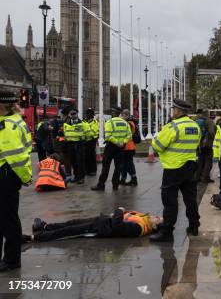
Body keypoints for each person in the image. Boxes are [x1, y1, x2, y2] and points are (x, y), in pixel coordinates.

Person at [149, 99, 201, 242]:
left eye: (173, 109)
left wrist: (155, 137)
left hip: (173, 168)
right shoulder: (195, 126)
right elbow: (197, 143)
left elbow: (158, 146)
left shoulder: (173, 126)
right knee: (190, 199)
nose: (172, 112)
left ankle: (167, 232)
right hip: (190, 167)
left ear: (177, 111)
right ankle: (194, 226)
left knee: (170, 201)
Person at [0, 90, 32, 272]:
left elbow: (16, 156)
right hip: (7, 174)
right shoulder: (15, 121)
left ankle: (12, 260)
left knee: (8, 219)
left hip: (6, 175)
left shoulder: (7, 125)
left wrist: (25, 176)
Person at [28, 208, 161, 242]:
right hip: (101, 221)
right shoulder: (143, 218)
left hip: (99, 229)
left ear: (154, 227)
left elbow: (118, 226)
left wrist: (119, 211)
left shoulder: (140, 228)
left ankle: (35, 238)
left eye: (158, 219)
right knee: (72, 222)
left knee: (68, 232)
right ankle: (45, 226)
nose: (156, 216)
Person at [91, 106, 131, 191]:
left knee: (106, 167)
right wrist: (122, 142)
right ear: (120, 113)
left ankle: (101, 185)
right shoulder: (125, 123)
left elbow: (108, 136)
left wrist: (116, 142)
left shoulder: (109, 122)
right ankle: (115, 185)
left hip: (110, 147)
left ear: (113, 113)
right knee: (118, 167)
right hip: (120, 148)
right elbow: (129, 136)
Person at [62, 109, 86, 184]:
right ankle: (76, 176)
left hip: (79, 144)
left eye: (74, 114)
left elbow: (87, 133)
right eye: (71, 114)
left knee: (80, 161)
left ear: (77, 114)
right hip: (70, 144)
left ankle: (81, 177)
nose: (73, 115)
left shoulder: (82, 123)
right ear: (69, 115)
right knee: (73, 161)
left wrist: (84, 140)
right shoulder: (66, 123)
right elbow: (65, 133)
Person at [195, 108, 216, 183]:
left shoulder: (196, 121)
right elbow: (211, 132)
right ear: (207, 114)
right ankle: (205, 178)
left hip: (198, 144)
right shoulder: (209, 121)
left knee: (200, 161)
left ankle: (197, 177)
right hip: (207, 144)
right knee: (208, 161)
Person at [119, 110, 138, 186]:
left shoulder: (128, 123)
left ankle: (133, 180)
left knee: (128, 164)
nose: (121, 116)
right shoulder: (131, 123)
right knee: (126, 164)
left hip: (127, 147)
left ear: (126, 115)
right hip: (129, 147)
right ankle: (124, 179)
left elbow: (126, 134)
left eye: (122, 115)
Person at [83, 108, 99, 176]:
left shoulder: (94, 122)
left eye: (89, 114)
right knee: (86, 156)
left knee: (91, 156)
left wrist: (86, 133)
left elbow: (92, 132)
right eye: (87, 114)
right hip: (85, 141)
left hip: (92, 140)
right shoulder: (84, 121)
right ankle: (87, 170)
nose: (87, 115)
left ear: (92, 115)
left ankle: (93, 170)